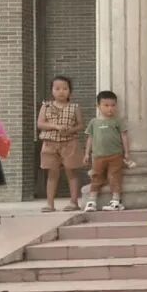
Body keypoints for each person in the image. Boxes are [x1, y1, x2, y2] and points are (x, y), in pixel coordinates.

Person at [37, 76, 85, 212]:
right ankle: (50, 204)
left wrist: (70, 130)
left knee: (72, 172)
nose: (61, 91)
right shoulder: (46, 106)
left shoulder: (74, 107)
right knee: (52, 174)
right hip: (49, 143)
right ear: (52, 90)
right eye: (57, 88)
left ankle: (74, 202)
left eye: (65, 88)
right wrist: (56, 126)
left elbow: (81, 125)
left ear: (70, 91)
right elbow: (40, 124)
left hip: (70, 143)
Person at [83, 91, 130, 212]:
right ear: (98, 106)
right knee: (96, 177)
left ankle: (116, 201)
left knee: (114, 177)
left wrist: (126, 152)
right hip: (98, 156)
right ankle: (92, 201)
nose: (110, 108)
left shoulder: (117, 121)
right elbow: (90, 138)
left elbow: (124, 136)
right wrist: (87, 154)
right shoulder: (94, 122)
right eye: (106, 105)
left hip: (116, 155)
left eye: (113, 105)